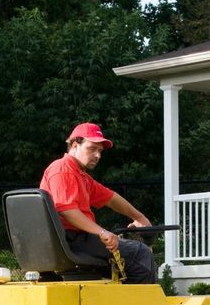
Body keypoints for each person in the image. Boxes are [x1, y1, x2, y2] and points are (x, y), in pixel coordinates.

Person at [40, 122, 156, 284]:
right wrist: (102, 233)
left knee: (126, 258)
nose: (97, 156)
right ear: (75, 145)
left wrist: (140, 217)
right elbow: (68, 211)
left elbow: (111, 198)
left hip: (75, 240)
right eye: (92, 149)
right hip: (70, 240)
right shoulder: (63, 169)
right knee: (140, 254)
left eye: (100, 151)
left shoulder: (82, 176)